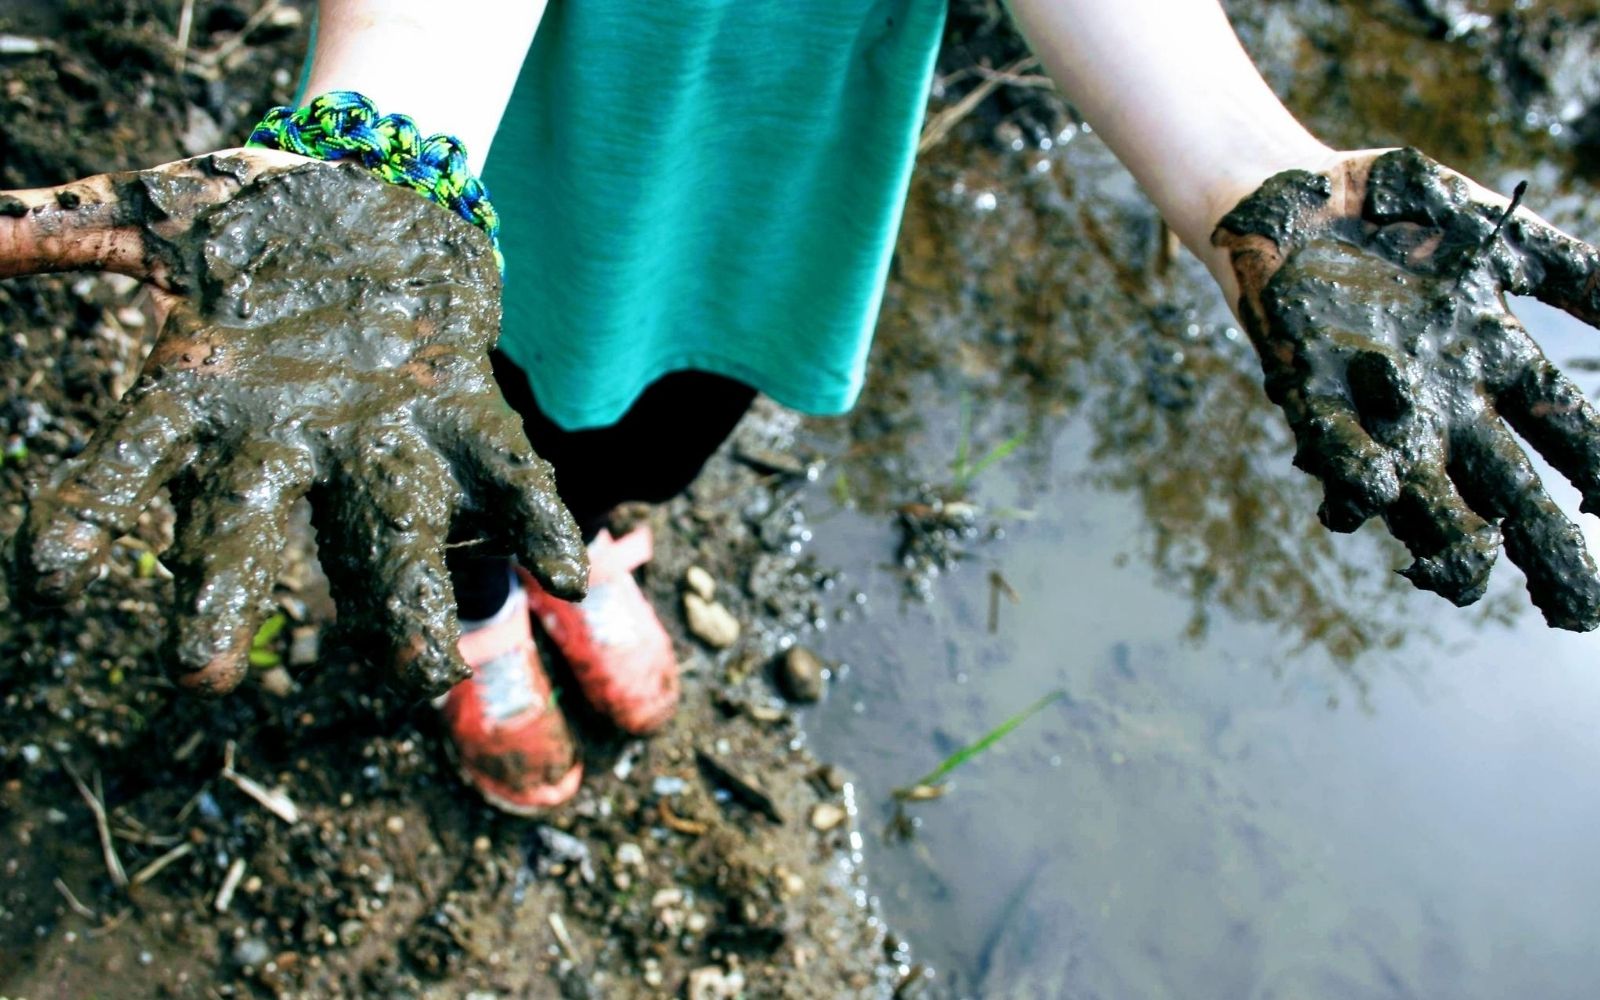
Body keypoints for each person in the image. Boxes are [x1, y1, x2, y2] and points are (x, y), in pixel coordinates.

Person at [5, 0, 1600, 815]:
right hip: (513, 150)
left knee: (667, 418)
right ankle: (487, 609)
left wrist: (1239, 169)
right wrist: (386, 138)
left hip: (772, 174)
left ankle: (606, 547)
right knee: (470, 432)